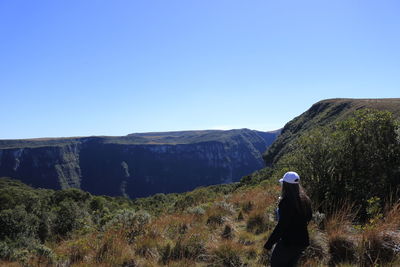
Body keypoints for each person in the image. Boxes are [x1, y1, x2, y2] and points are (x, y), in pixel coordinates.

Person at [263, 171, 312, 267]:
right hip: (302, 241)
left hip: (288, 243)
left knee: (276, 264)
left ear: (285, 185)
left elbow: (281, 226)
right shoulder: (306, 199)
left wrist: (268, 244)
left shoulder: (286, 202)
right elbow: (309, 217)